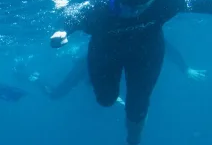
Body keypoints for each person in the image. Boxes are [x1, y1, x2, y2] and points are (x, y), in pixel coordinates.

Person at [49, 0, 212, 145]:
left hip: (147, 53)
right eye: (127, 7)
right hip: (105, 53)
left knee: (138, 106)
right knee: (105, 100)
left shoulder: (165, 0)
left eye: (141, 7)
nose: (134, 13)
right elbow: (72, 14)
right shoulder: (98, 9)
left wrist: (185, 67)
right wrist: (62, 31)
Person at [40, 39, 206, 100]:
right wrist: (104, 88)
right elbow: (95, 66)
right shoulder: (112, 33)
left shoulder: (145, 32)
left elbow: (165, 47)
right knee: (56, 94)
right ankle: (32, 78)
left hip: (106, 65)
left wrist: (185, 69)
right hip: (91, 62)